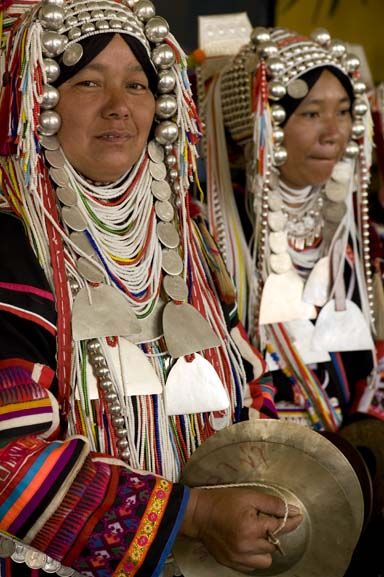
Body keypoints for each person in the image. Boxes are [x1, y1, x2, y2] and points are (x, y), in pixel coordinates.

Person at [0, 2, 303, 577]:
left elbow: (248, 382)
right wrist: (192, 515)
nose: (119, 107)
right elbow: (8, 459)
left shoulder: (183, 241)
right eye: (88, 82)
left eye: (138, 85)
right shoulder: (16, 245)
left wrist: (286, 472)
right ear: (40, 100)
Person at [198, 24, 381, 433]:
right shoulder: (214, 243)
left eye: (344, 111)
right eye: (311, 113)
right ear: (258, 127)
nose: (334, 133)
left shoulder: (348, 238)